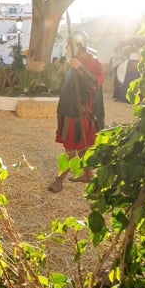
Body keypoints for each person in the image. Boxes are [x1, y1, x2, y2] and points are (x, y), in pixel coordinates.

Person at [48, 31, 105, 193]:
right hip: (69, 112)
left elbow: (94, 84)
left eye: (69, 43)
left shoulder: (92, 62)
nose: (66, 46)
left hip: (80, 115)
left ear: (78, 45)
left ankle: (59, 179)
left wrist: (80, 68)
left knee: (71, 149)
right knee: (81, 148)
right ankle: (87, 174)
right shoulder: (75, 62)